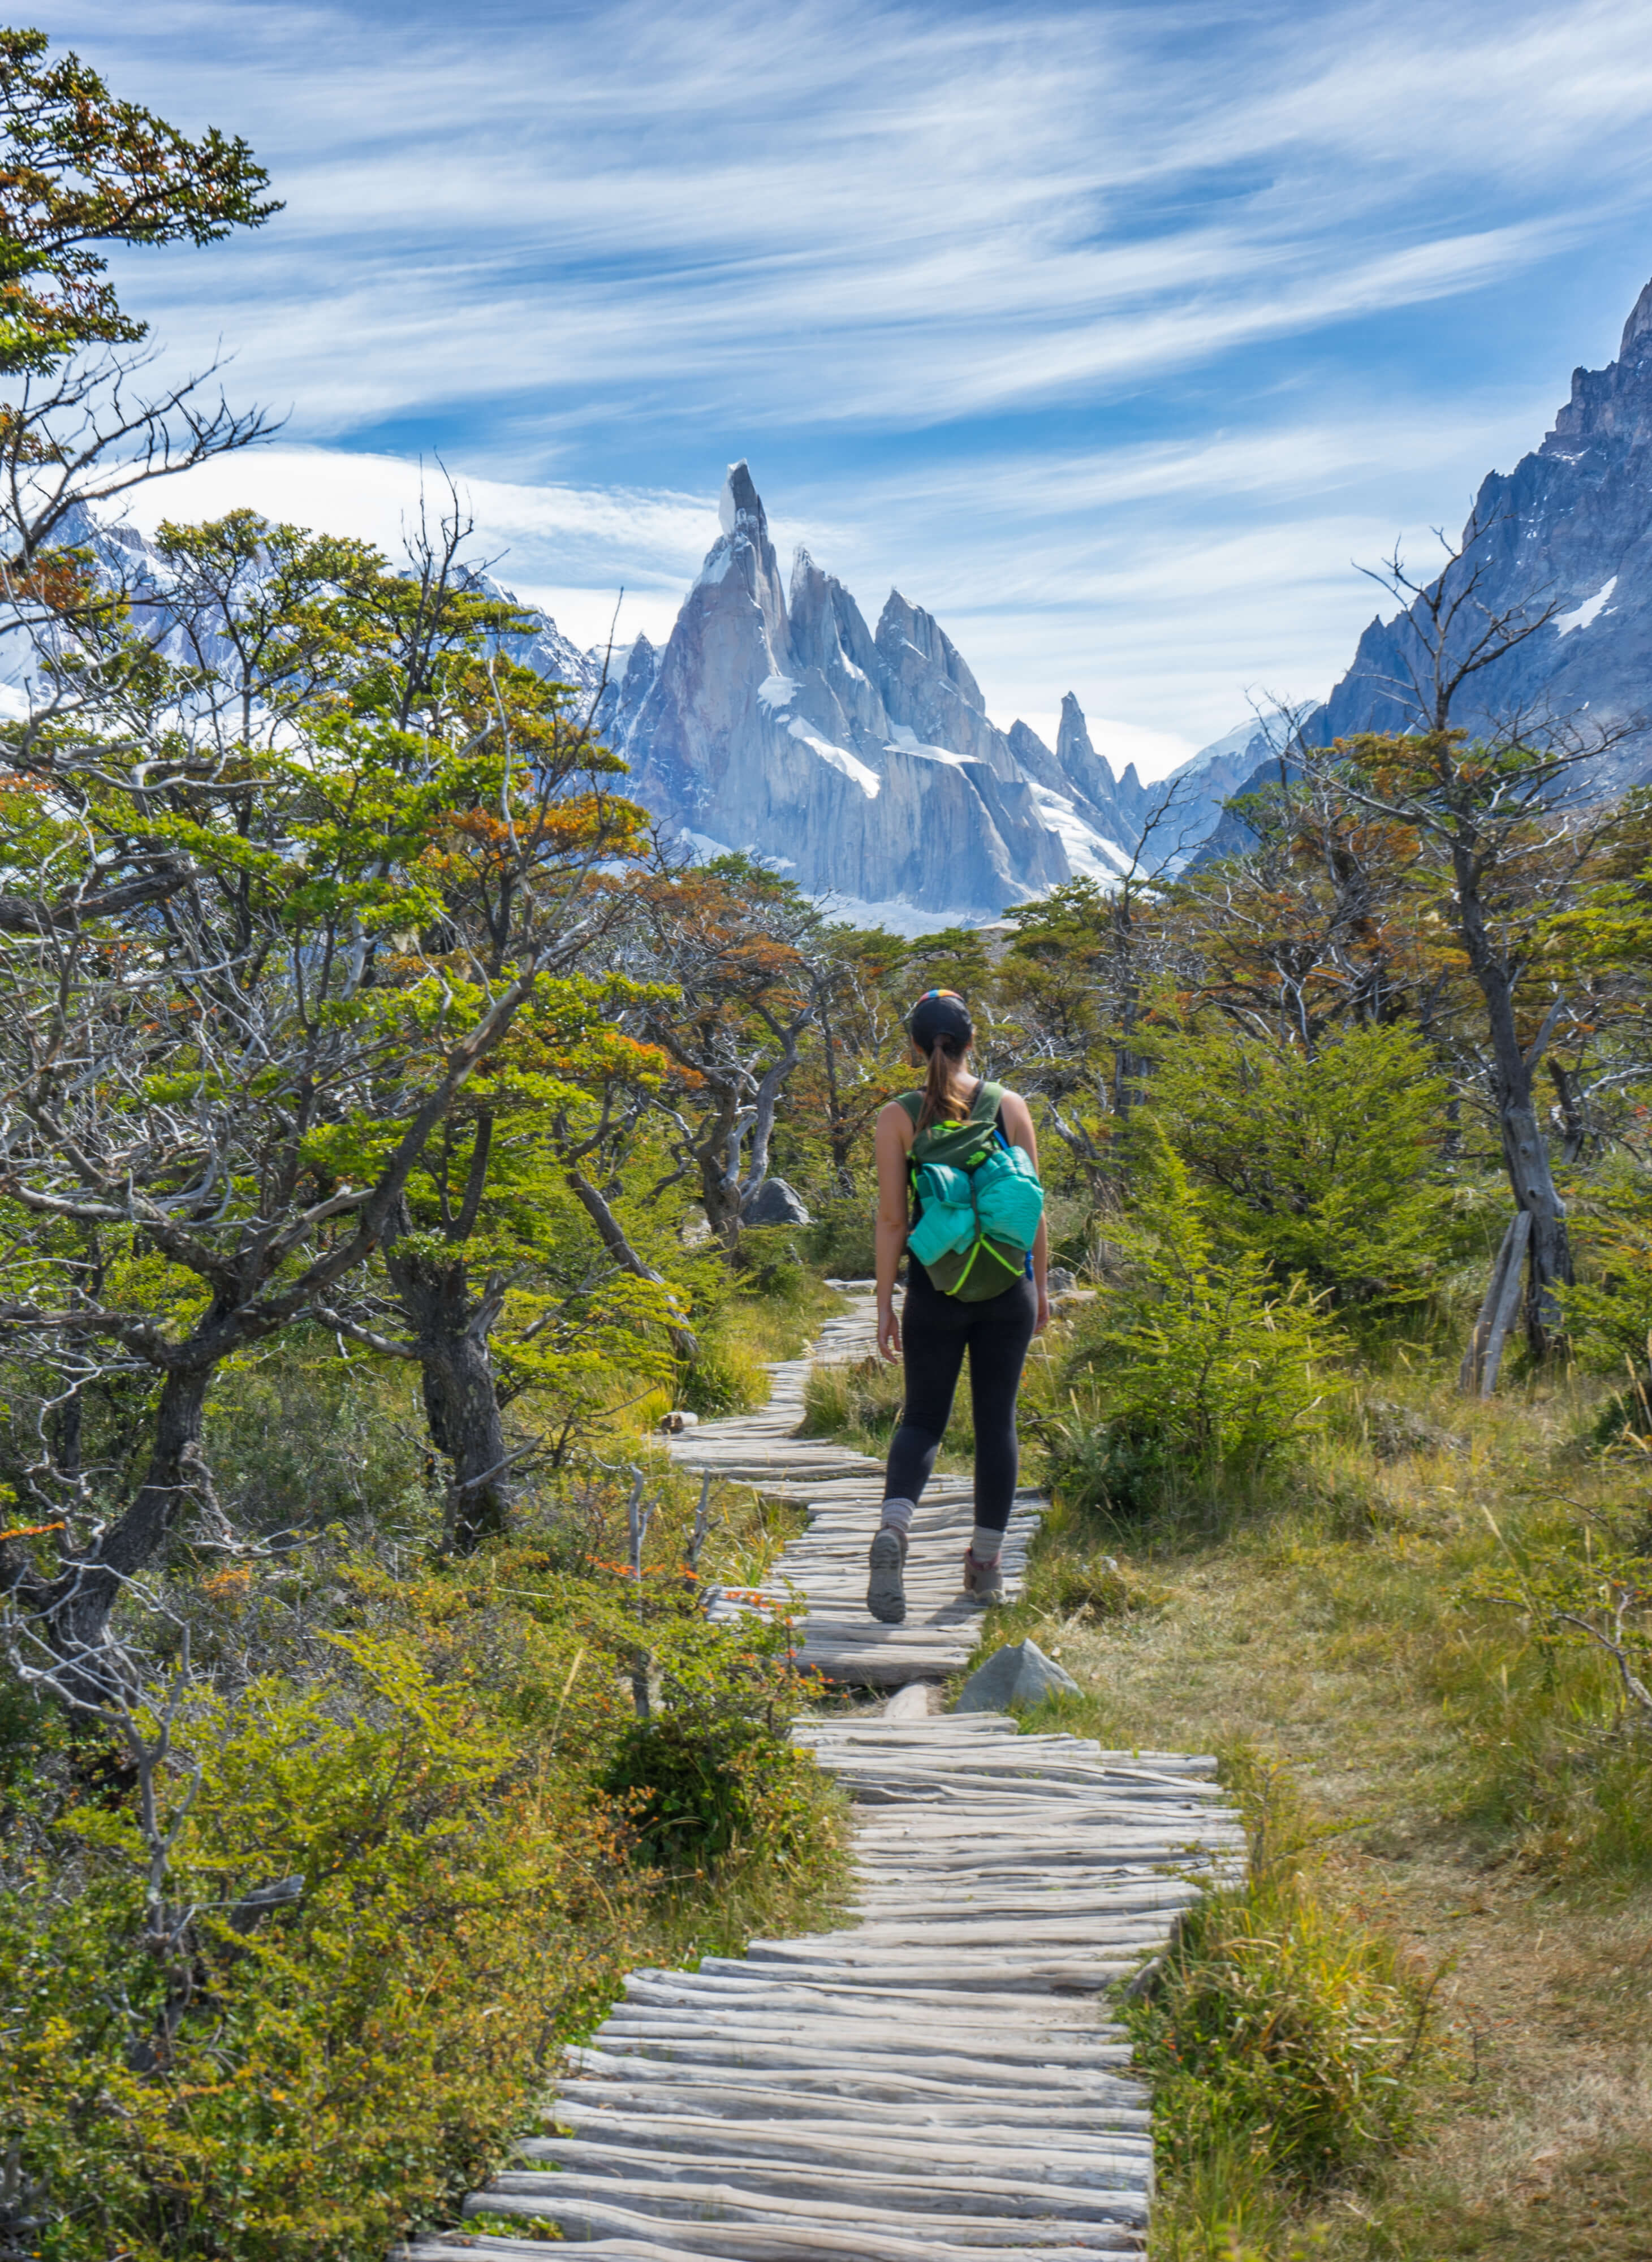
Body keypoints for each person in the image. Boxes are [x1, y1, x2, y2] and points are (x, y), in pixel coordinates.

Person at [866, 989, 1048, 1624]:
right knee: (996, 1421)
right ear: (971, 1041)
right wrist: (1041, 1288)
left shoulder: (899, 1115)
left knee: (921, 1419)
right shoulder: (1009, 1105)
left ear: (916, 1047)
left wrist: (886, 1301)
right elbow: (1032, 1208)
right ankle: (986, 1568)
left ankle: (893, 1531)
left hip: (934, 1289)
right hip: (1006, 1288)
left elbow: (893, 1220)